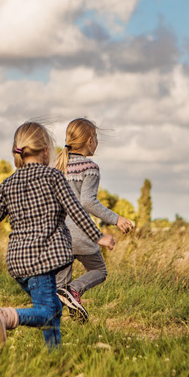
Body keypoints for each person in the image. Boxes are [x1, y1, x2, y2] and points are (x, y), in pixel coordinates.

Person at [0, 121, 115, 351]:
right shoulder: (53, 177)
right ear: (45, 151)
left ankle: (54, 355)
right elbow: (75, 209)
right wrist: (98, 236)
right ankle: (6, 316)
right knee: (46, 311)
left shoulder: (7, 183)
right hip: (43, 261)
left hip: (17, 263)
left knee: (53, 308)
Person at [53, 118, 134, 322]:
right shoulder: (90, 167)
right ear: (90, 141)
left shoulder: (57, 164)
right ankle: (75, 290)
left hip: (58, 235)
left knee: (58, 289)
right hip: (81, 233)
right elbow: (88, 202)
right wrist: (116, 219)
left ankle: (52, 323)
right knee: (99, 270)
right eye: (96, 138)